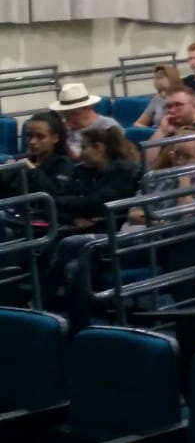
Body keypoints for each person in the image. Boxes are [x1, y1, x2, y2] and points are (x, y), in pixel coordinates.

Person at [43, 125, 146, 329]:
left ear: (98, 147)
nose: (80, 154)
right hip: (85, 230)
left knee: (69, 252)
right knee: (50, 248)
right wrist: (74, 216)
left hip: (112, 233)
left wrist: (71, 206)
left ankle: (46, 307)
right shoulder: (83, 171)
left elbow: (95, 204)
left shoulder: (125, 173)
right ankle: (62, 317)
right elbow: (61, 200)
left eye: (84, 147)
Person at [0, 111, 75, 197]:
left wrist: (32, 170)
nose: (32, 141)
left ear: (55, 138)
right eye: (29, 136)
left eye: (40, 136)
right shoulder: (19, 160)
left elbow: (55, 192)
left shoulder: (64, 164)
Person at [50, 83, 119, 160]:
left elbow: (81, 158)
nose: (69, 119)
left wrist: (62, 137)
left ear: (89, 108)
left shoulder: (108, 126)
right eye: (65, 115)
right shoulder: (65, 126)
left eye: (74, 114)